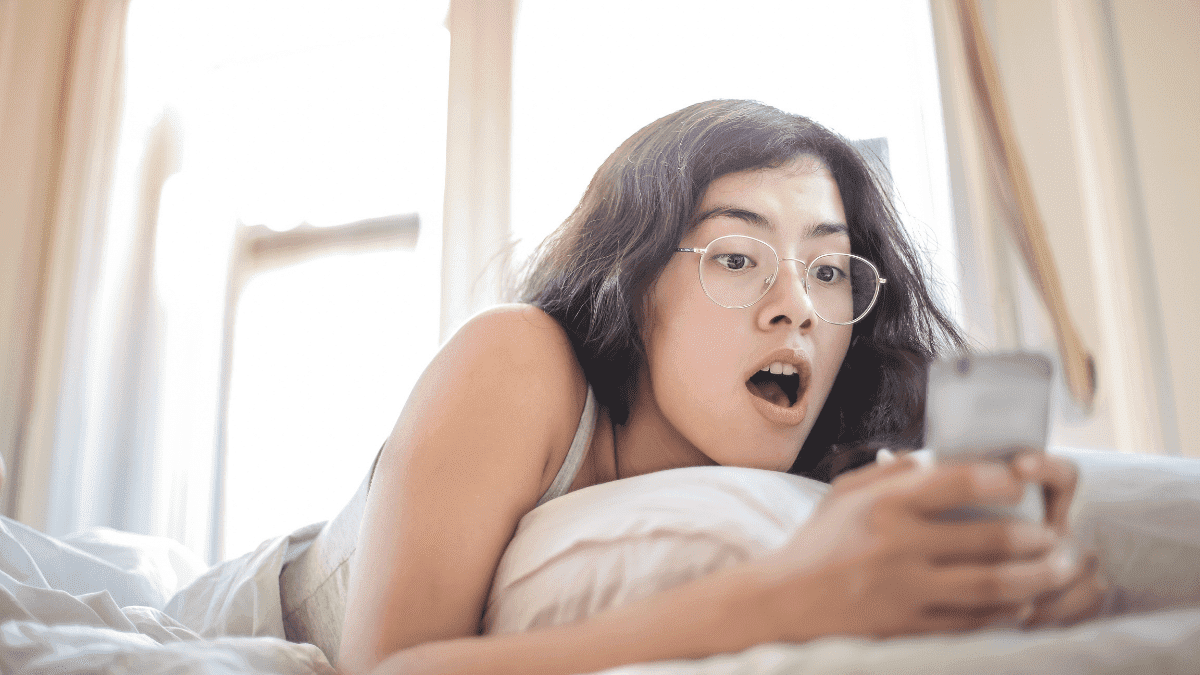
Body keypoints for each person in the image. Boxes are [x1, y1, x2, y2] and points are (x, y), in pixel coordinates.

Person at [336, 100, 1105, 675]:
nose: (798, 306)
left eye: (829, 270)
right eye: (738, 257)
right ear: (631, 282)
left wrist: (1018, 583)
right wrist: (788, 596)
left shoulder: (833, 457)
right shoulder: (516, 358)